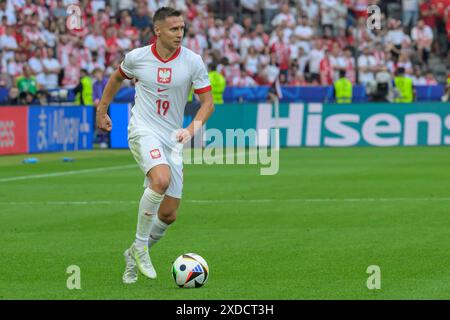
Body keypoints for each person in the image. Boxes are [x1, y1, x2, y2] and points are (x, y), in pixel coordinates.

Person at [96, 7, 214, 284]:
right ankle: (140, 246)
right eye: (174, 29)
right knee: (160, 180)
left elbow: (208, 102)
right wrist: (102, 111)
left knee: (169, 214)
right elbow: (116, 78)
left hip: (172, 137)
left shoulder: (192, 61)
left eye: (182, 28)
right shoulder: (137, 57)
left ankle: (132, 256)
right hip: (143, 129)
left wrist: (191, 128)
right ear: (157, 31)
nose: (179, 34)